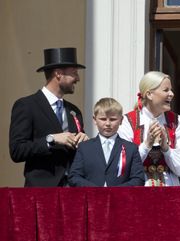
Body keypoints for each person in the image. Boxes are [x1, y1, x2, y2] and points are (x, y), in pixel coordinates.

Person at [9, 47, 89, 187]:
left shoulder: (74, 111)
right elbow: (17, 150)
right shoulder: (27, 106)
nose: (78, 79)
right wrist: (51, 139)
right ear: (58, 74)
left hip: (73, 190)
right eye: (74, 73)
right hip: (41, 193)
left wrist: (85, 143)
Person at [118, 71, 180, 186]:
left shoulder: (177, 122)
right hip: (138, 190)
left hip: (170, 191)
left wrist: (166, 148)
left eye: (171, 90)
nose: (171, 94)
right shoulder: (127, 122)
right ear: (149, 94)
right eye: (166, 90)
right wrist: (146, 145)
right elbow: (123, 166)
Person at [68, 98, 145, 187]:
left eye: (112, 119)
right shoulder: (84, 147)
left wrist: (114, 192)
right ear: (94, 119)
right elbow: (74, 176)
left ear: (121, 120)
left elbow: (138, 179)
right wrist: (96, 190)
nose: (108, 123)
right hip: (92, 197)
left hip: (120, 198)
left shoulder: (131, 148)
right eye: (103, 119)